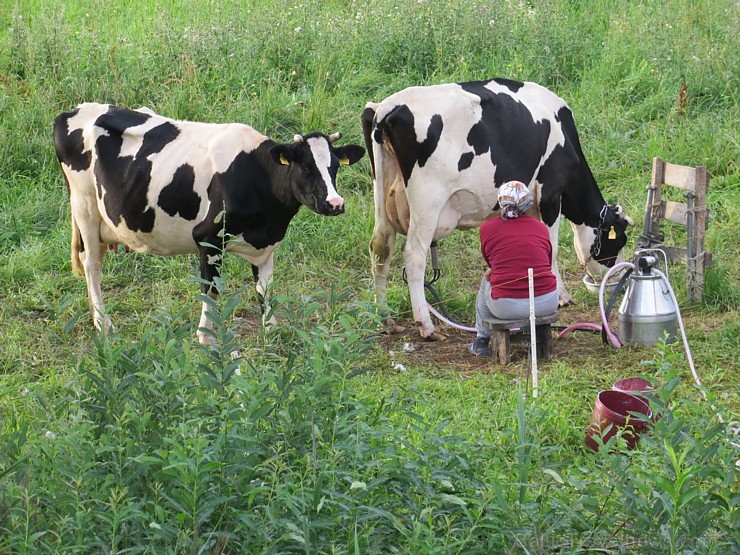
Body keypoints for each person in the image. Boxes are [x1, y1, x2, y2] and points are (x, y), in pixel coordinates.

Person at [468, 181, 559, 357]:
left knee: (486, 280)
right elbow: (547, 263)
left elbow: (491, 264)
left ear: (500, 202)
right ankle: (535, 338)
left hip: (506, 307)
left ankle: (481, 341)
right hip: (547, 302)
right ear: (528, 204)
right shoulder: (540, 227)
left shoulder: (487, 228)